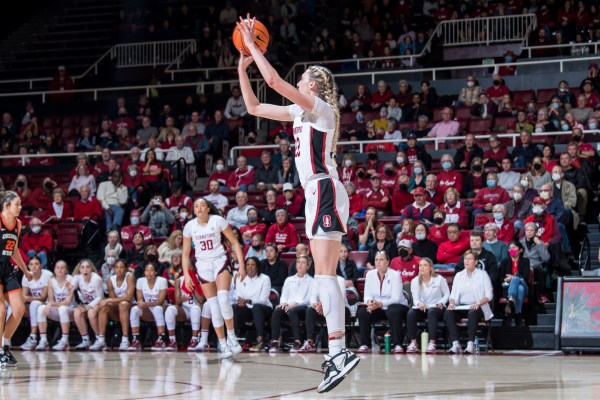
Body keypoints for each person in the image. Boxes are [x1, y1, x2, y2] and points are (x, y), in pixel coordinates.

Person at [237, 16, 358, 393]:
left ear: (315, 85)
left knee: (324, 275)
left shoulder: (321, 109)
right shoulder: (297, 113)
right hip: (316, 192)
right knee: (325, 276)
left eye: (303, 76)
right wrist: (243, 66)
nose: (298, 79)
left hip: (323, 187)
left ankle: (339, 353)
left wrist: (252, 45)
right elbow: (255, 106)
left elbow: (273, 81)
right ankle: (338, 352)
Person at [182, 198, 245, 359]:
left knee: (223, 298)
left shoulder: (217, 221)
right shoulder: (189, 227)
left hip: (220, 261)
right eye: (196, 206)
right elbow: (185, 253)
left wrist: (242, 265)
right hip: (203, 266)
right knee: (213, 305)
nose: (199, 208)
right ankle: (223, 344)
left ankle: (231, 337)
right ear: (194, 211)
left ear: (208, 208)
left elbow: (235, 243)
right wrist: (187, 275)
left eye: (202, 205)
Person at [0, 191, 34, 365]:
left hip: (7, 268)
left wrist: (25, 270)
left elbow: (13, 250)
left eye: (20, 204)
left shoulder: (18, 224)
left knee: (19, 309)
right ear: (6, 206)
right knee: (1, 311)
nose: (20, 207)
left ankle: (5, 345)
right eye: (17, 204)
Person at [356, 251, 409, 354]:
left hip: (397, 306)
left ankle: (398, 344)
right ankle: (365, 344)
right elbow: (367, 295)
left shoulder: (395, 275)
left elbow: (396, 298)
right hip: (377, 307)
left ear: (388, 262)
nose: (378, 262)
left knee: (393, 311)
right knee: (363, 312)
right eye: (376, 260)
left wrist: (380, 303)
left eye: (381, 260)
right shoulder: (370, 274)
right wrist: (370, 302)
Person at [445, 250, 494, 354]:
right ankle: (455, 343)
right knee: (448, 313)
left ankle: (471, 343)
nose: (467, 261)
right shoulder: (459, 275)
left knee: (472, 312)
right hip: (461, 306)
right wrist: (452, 303)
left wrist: (478, 303)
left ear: (476, 262)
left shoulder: (483, 274)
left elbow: (489, 295)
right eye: (465, 259)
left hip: (479, 306)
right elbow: (453, 295)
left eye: (470, 259)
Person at [269, 255, 314, 353]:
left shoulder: (312, 281)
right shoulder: (289, 279)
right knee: (277, 310)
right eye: (298, 262)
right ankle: (275, 341)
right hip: (288, 305)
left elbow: (309, 299)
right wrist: (283, 303)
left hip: (302, 307)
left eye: (303, 262)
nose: (300, 264)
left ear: (307, 266)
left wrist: (295, 304)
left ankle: (297, 341)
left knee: (293, 311)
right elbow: (284, 295)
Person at [89, 259, 135, 351]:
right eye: (117, 267)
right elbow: (114, 301)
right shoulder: (110, 280)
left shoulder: (130, 277)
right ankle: (101, 340)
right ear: (114, 269)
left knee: (123, 304)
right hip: (118, 309)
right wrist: (110, 301)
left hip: (130, 308)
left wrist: (110, 300)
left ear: (126, 269)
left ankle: (125, 339)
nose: (119, 270)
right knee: (104, 306)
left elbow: (129, 298)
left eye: (122, 267)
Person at [406, 257, 449, 354]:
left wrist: (441, 302)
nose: (422, 267)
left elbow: (447, 294)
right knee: (411, 314)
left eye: (425, 265)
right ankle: (413, 343)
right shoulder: (415, 281)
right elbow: (415, 298)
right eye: (420, 265)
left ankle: (432, 343)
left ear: (430, 268)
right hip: (423, 307)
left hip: (437, 307)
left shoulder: (439, 279)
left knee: (432, 312)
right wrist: (418, 303)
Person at [233, 257, 272, 351]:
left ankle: (260, 340)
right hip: (247, 308)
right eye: (248, 265)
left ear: (257, 267)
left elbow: (263, 300)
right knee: (234, 307)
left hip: (264, 308)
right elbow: (238, 295)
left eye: (252, 265)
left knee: (257, 307)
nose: (250, 267)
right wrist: (240, 302)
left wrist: (249, 301)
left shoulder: (265, 278)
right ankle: (232, 339)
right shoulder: (240, 278)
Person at [127, 263, 169, 350]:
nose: (149, 273)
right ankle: (136, 339)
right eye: (146, 270)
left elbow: (160, 302)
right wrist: (143, 303)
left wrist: (146, 304)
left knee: (157, 309)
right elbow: (140, 300)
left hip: (161, 309)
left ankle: (161, 339)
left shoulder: (162, 281)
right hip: (148, 310)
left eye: (151, 270)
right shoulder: (140, 281)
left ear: (156, 272)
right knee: (135, 309)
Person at [35, 260, 74, 351]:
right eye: (57, 267)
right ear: (54, 270)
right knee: (41, 308)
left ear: (66, 270)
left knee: (63, 308)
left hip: (71, 311)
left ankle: (65, 340)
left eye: (62, 268)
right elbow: (51, 299)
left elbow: (67, 302)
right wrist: (49, 304)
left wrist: (51, 304)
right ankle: (43, 340)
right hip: (58, 310)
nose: (60, 270)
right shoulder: (51, 281)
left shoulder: (71, 279)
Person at [18, 256, 53, 350]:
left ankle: (33, 337)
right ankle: (6, 339)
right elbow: (23, 297)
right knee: (16, 306)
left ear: (41, 265)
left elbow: (43, 297)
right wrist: (26, 299)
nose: (34, 266)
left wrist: (28, 298)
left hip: (49, 304)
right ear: (28, 266)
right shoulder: (26, 276)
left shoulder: (47, 275)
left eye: (37, 264)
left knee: (34, 304)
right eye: (31, 264)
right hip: (35, 304)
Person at [70, 259, 104, 350]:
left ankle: (99, 340)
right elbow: (70, 288)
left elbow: (100, 297)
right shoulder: (77, 277)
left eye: (88, 267)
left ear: (91, 269)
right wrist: (69, 288)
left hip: (99, 302)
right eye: (83, 267)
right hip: (86, 303)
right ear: (79, 270)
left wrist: (88, 307)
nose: (85, 270)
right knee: (77, 312)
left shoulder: (96, 278)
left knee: (91, 313)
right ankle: (85, 340)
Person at [499, 240, 531, 326]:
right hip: (508, 287)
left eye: (514, 247)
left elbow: (525, 276)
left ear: (520, 250)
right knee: (519, 289)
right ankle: (518, 314)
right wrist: (506, 279)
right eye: (509, 248)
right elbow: (500, 277)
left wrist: (513, 277)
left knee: (517, 280)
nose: (511, 249)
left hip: (524, 285)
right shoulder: (505, 261)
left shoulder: (525, 261)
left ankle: (511, 300)